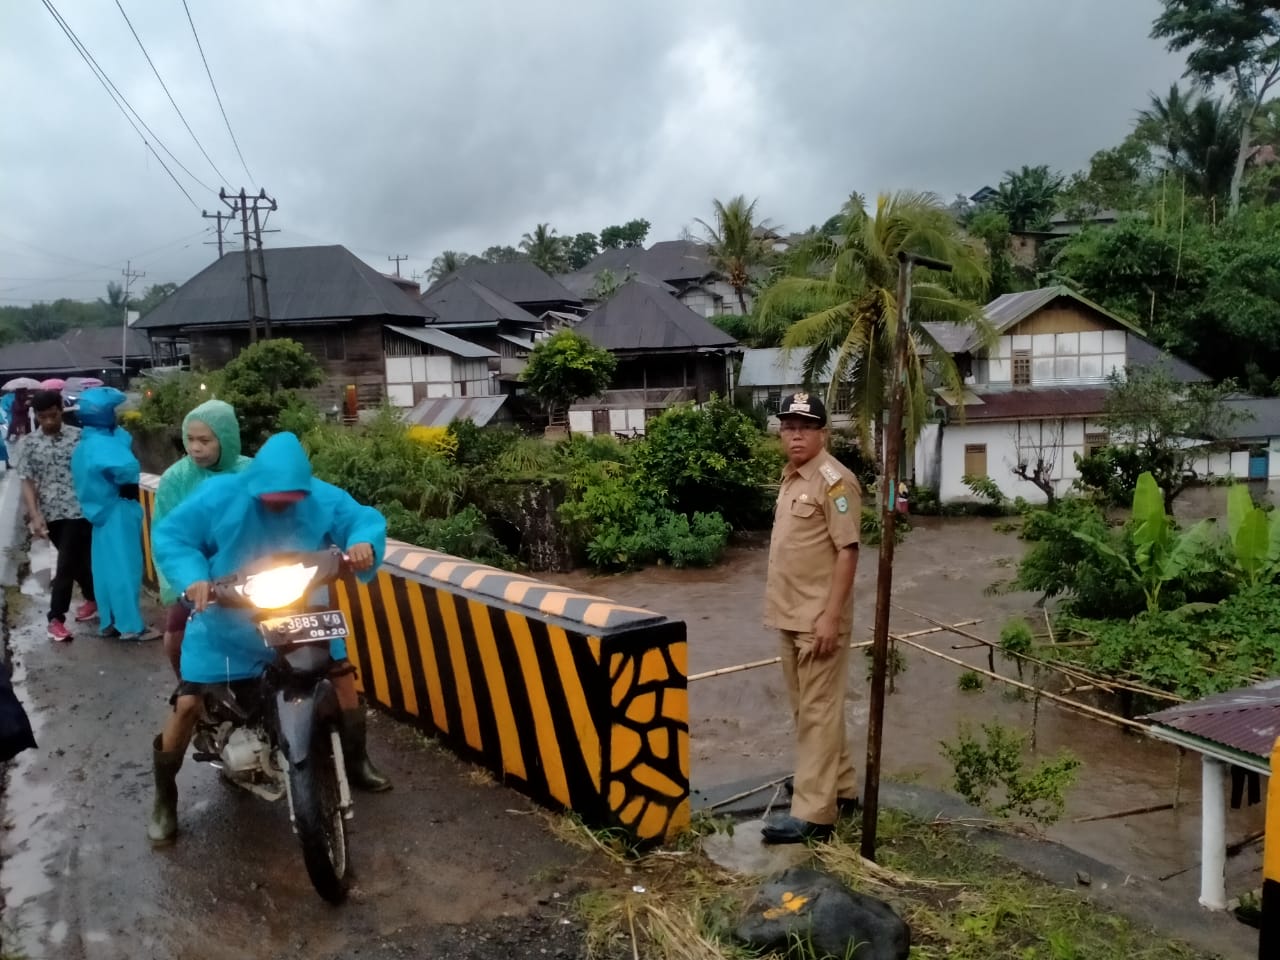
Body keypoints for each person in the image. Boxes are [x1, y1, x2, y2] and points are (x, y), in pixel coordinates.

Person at [147, 431, 392, 846]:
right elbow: (173, 536)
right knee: (188, 703)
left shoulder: (322, 496)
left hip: (300, 614)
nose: (280, 503)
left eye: (290, 497)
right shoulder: (220, 495)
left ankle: (356, 760)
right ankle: (164, 796)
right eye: (271, 496)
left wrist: (363, 542)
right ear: (256, 481)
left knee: (344, 676)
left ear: (304, 487)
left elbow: (361, 519)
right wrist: (194, 578)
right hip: (227, 620)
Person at [761, 392, 862, 844]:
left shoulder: (834, 482)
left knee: (817, 712)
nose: (795, 434)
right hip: (789, 613)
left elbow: (848, 551)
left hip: (818, 619)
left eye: (804, 426)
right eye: (788, 426)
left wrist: (830, 616)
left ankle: (814, 815)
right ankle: (837, 787)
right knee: (809, 711)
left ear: (823, 432)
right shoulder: (791, 478)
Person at [153, 400, 251, 678]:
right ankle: (185, 684)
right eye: (190, 439)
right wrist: (178, 585)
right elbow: (165, 534)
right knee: (176, 630)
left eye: (205, 440)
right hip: (191, 573)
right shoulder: (175, 479)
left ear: (226, 439)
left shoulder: (252, 472)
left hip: (244, 569)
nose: (196, 448)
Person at [70, 387, 158, 642]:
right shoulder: (106, 446)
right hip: (118, 509)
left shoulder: (85, 444)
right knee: (125, 570)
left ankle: (110, 621)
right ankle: (131, 626)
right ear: (106, 414)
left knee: (105, 571)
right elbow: (127, 469)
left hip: (99, 515)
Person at [20, 390, 96, 642]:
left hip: (80, 509)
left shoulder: (80, 438)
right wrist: (34, 514)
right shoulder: (30, 444)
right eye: (43, 418)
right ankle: (93, 598)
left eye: (53, 416)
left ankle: (55, 618)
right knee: (77, 563)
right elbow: (28, 482)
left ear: (61, 409)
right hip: (52, 513)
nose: (49, 422)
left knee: (64, 565)